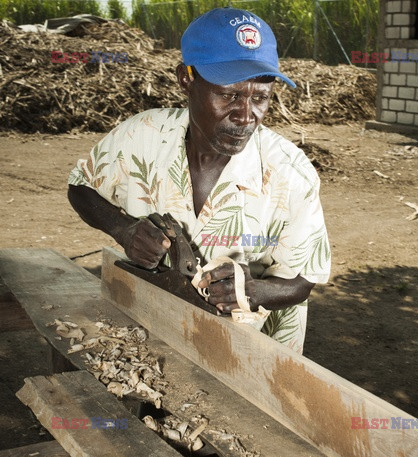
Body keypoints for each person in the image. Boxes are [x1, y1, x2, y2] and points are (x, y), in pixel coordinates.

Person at [68, 7, 330, 354]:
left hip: (255, 354)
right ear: (186, 79)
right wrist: (124, 228)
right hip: (153, 326)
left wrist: (254, 291)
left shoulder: (290, 172)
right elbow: (81, 186)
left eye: (261, 98)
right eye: (228, 94)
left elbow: (303, 281)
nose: (246, 115)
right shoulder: (142, 136)